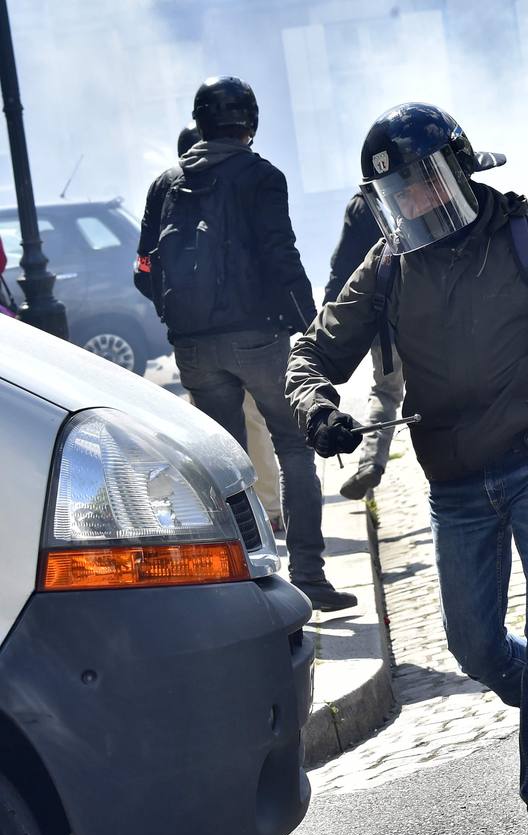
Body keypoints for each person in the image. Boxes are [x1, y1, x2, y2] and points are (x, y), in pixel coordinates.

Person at [286, 103, 528, 835]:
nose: (418, 201)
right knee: (473, 646)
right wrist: (316, 410)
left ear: (461, 173)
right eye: (401, 192)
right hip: (456, 486)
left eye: (428, 183)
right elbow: (311, 355)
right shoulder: (389, 266)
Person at [135, 76, 354, 612]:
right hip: (259, 339)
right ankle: (309, 576)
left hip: (195, 350)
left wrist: (176, 319)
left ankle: (246, 586)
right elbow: (282, 254)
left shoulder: (165, 183)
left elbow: (143, 268)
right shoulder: (261, 176)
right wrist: (311, 323)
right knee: (295, 447)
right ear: (250, 124)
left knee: (223, 465)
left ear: (200, 121)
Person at [174, 121, 285, 530]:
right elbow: (275, 253)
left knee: (212, 437)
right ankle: (270, 512)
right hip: (252, 332)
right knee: (257, 422)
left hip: (195, 341)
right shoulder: (245, 185)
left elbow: (146, 271)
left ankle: (233, 522)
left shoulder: (172, 193)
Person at [319, 189, 406, 501]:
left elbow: (342, 265)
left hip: (383, 320)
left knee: (386, 392)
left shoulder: (362, 204)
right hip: (430, 310)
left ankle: (371, 461)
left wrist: (328, 319)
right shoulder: (426, 186)